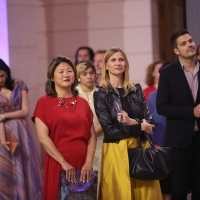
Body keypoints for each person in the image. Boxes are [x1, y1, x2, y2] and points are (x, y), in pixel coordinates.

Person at [94, 47, 162, 200]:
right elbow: (110, 131)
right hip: (116, 151)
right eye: (113, 60)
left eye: (121, 59)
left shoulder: (135, 89)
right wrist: (139, 126)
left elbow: (149, 123)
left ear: (126, 64)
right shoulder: (101, 94)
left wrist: (132, 122)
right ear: (106, 65)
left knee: (146, 195)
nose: (118, 63)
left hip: (141, 148)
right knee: (121, 194)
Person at [32, 56, 96, 200]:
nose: (66, 74)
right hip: (58, 162)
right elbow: (43, 137)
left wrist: (89, 161)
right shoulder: (44, 102)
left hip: (83, 163)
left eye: (69, 71)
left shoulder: (82, 103)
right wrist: (63, 162)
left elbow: (92, 136)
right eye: (61, 71)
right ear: (52, 77)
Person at [157, 29, 200, 200]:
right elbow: (162, 107)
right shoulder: (168, 72)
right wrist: (191, 111)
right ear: (176, 51)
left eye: (190, 41)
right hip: (178, 142)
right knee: (179, 191)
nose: (189, 45)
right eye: (183, 43)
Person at [0, 59, 42, 199]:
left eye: (1, 76)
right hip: (4, 133)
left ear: (6, 73)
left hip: (22, 131)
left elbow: (25, 111)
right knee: (7, 168)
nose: (0, 80)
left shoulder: (19, 84)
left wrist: (4, 115)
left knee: (26, 163)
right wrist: (3, 140)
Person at [76, 60, 103, 190]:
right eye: (84, 74)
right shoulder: (72, 95)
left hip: (101, 142)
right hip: (79, 143)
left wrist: (92, 135)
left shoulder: (102, 93)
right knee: (81, 183)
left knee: (100, 181)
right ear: (78, 77)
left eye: (91, 73)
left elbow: (106, 119)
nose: (89, 76)